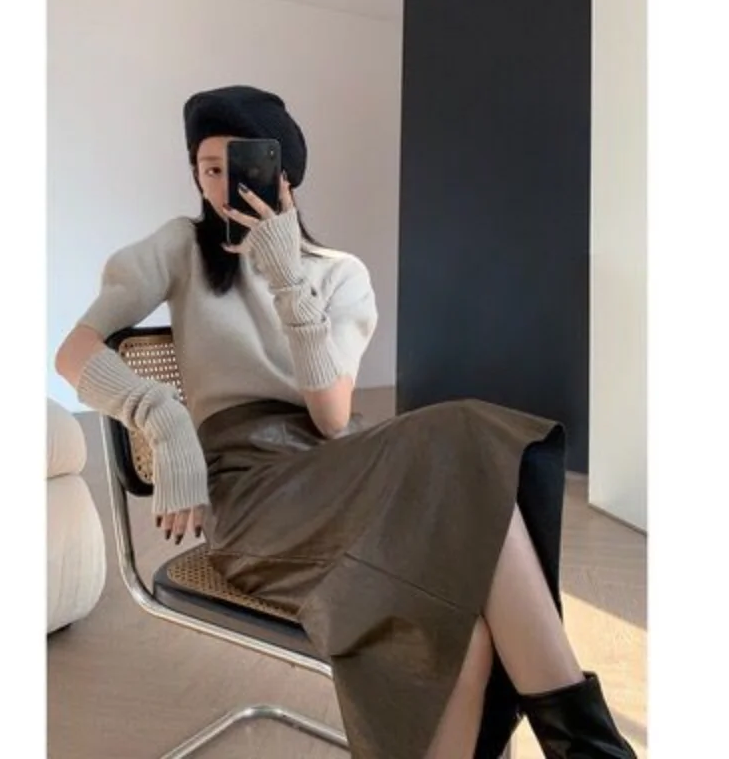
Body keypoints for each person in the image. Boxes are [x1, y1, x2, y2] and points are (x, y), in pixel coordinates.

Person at [55, 84, 636, 759]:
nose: (222, 185)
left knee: (467, 527)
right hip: (252, 499)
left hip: (336, 469)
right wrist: (164, 415)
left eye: (241, 165)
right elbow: (75, 351)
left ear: (285, 175)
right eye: (208, 167)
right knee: (470, 518)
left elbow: (331, 419)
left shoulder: (339, 275)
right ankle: (593, 749)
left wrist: (286, 276)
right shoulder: (180, 246)